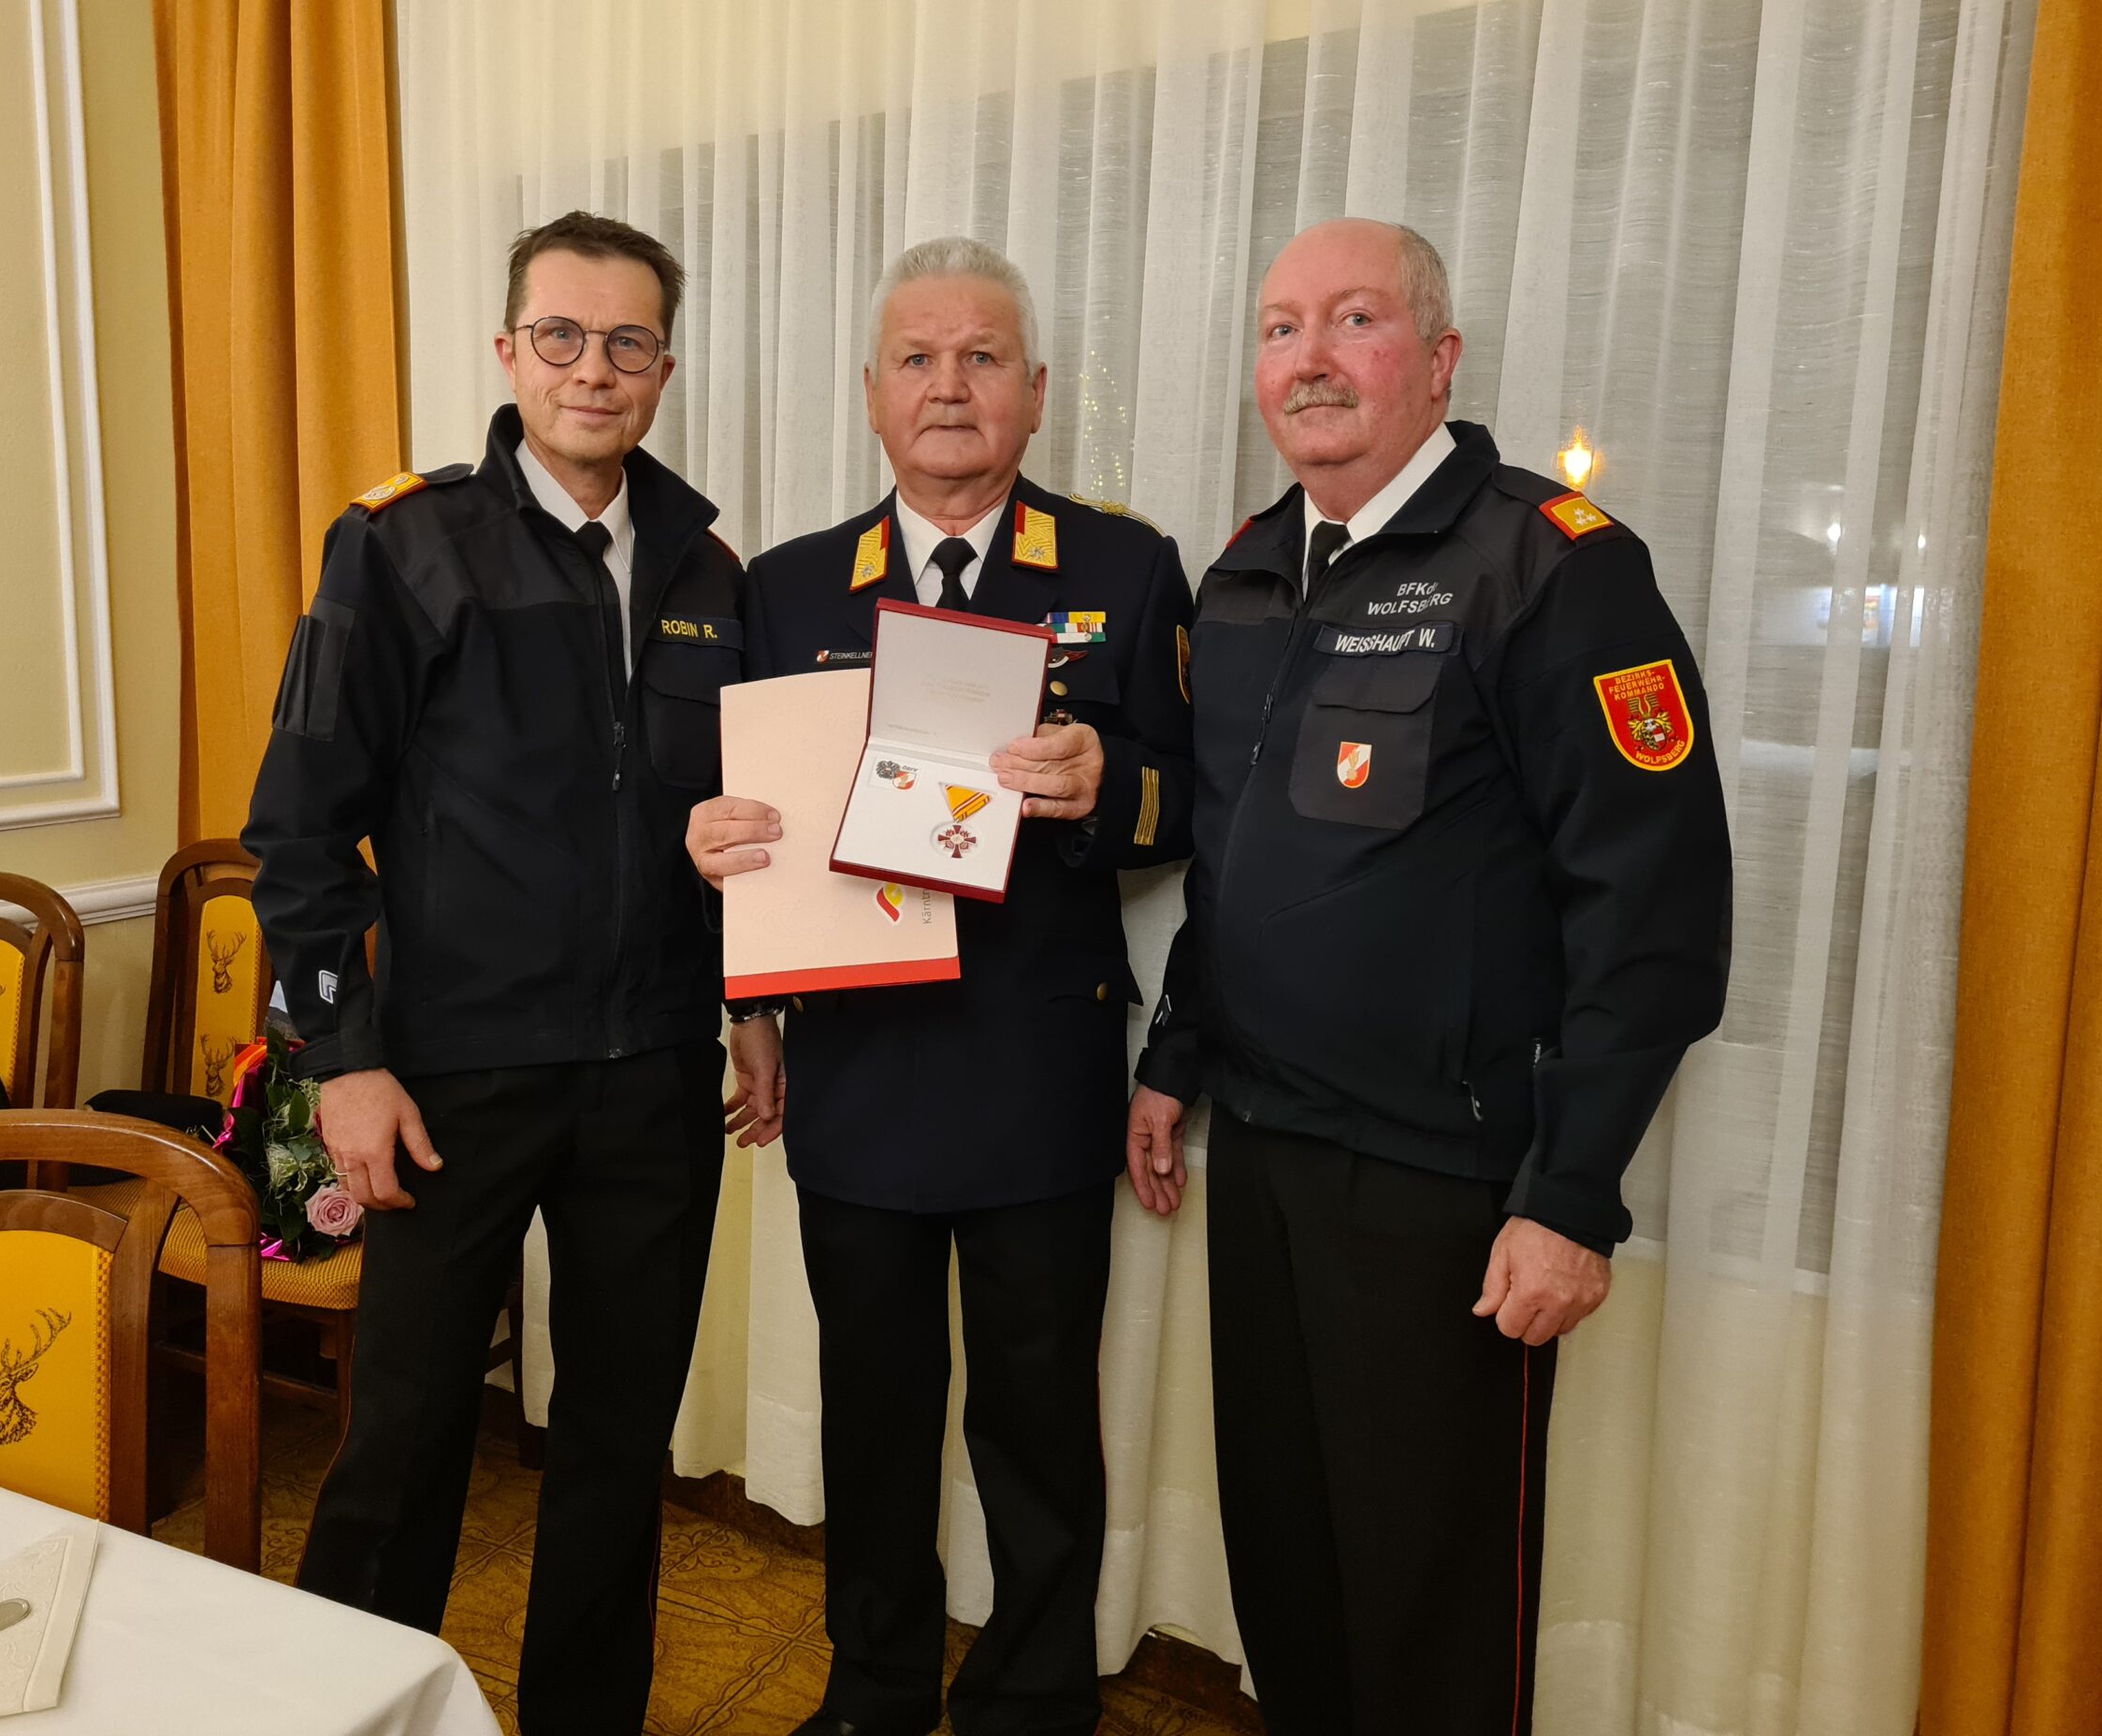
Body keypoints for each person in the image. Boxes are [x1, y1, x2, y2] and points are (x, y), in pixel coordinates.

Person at [1126, 218, 1732, 1734]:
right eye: (1280, 329)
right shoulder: (1248, 573)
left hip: (1445, 1183)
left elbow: (1654, 910)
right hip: (1264, 1151)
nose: (1310, 360)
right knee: (1290, 1561)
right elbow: (1235, 861)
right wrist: (1176, 1055)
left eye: (1355, 320)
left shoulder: (1551, 566)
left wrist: (1572, 1195)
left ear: (1441, 358)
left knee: (1431, 1607)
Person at [244, 210, 773, 1735]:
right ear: (508, 351)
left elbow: (741, 824)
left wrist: (755, 1006)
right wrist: (345, 1062)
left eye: (627, 342)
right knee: (404, 1443)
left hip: (653, 1078)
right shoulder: (400, 545)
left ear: (664, 366)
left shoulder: (708, 568)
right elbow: (299, 829)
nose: (592, 369)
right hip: (449, 1082)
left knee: (617, 1449)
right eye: (561, 336)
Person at [687, 238, 1194, 1736]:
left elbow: (1194, 799)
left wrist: (1107, 783)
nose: (950, 387)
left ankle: (1035, 1697)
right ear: (872, 394)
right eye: (918, 359)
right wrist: (747, 998)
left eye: (982, 358)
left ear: (1034, 391)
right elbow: (754, 832)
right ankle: (878, 1687)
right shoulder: (786, 585)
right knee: (877, 1413)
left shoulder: (1123, 568)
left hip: (1037, 1067)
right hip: (860, 1066)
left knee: (1038, 1419)